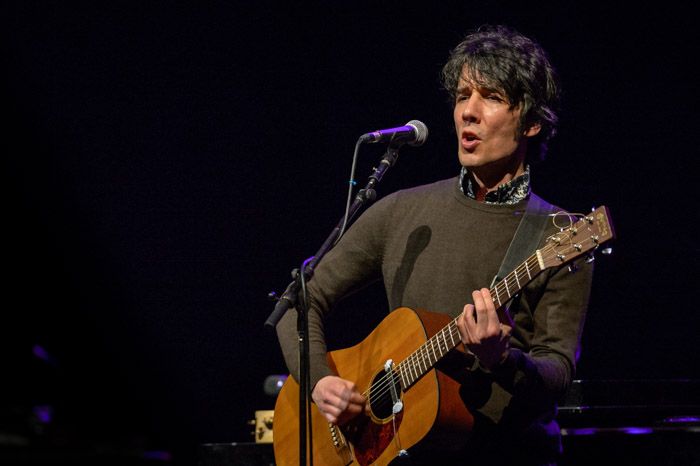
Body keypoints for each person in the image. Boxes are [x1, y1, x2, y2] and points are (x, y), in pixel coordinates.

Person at [275, 24, 594, 466]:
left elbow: (557, 372)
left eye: (492, 97)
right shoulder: (403, 211)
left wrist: (501, 359)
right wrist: (320, 382)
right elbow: (298, 302)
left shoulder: (559, 234)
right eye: (463, 96)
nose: (469, 112)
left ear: (533, 122)